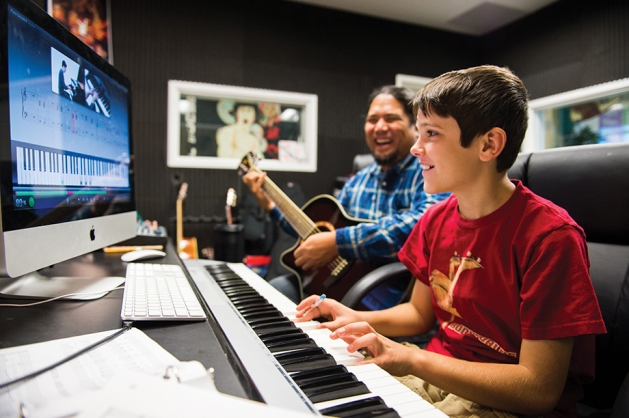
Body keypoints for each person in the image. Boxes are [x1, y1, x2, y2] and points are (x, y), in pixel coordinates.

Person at [293, 66, 606, 418]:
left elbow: (537, 390)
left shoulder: (550, 237)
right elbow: (417, 313)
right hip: (441, 373)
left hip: (506, 401)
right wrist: (355, 316)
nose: (415, 148)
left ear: (489, 144)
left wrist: (411, 356)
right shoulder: (435, 220)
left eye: (431, 134)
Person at [242, 85, 449, 309]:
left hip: (383, 297)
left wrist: (338, 243)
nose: (379, 127)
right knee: (274, 292)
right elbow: (316, 232)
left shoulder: (428, 173)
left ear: (414, 127)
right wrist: (269, 205)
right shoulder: (358, 181)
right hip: (337, 284)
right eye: (372, 120)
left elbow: (423, 227)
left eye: (391, 118)